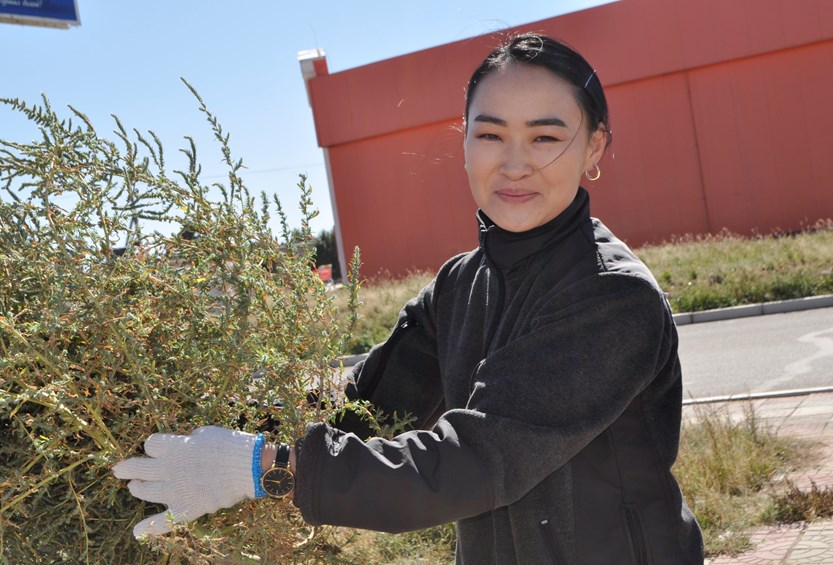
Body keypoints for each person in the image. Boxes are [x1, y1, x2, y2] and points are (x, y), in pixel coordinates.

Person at [114, 33, 704, 564]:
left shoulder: (611, 298)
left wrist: (268, 468)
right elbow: (366, 404)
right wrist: (209, 426)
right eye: (491, 134)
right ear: (465, 142)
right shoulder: (460, 284)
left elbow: (469, 463)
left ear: (594, 147)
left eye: (545, 137)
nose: (514, 164)